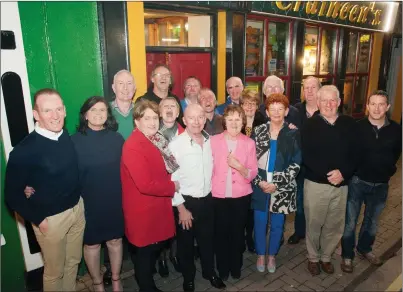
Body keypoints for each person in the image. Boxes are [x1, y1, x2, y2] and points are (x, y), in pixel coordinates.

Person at [5, 88, 85, 292]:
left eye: (59, 109)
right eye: (48, 111)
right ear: (36, 114)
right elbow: (11, 195)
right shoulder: (23, 151)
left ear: (65, 110)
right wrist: (38, 219)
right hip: (51, 221)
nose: (55, 116)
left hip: (77, 210)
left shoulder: (64, 135)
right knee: (54, 272)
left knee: (73, 262)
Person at [121, 99, 180, 291]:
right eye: (147, 118)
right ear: (137, 121)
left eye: (155, 117)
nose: (152, 122)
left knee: (150, 250)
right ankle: (146, 288)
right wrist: (173, 186)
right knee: (144, 254)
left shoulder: (156, 139)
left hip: (156, 205)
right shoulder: (133, 145)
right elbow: (145, 184)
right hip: (143, 210)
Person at [340, 90, 402, 273]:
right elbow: (348, 153)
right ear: (367, 106)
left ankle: (365, 249)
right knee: (350, 222)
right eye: (373, 104)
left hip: (381, 185)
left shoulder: (396, 130)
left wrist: (389, 170)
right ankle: (347, 255)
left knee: (372, 222)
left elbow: (396, 154)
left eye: (381, 104)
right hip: (358, 182)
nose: (376, 108)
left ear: (387, 107)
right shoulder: (357, 128)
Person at [70, 96, 125, 292]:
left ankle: (117, 279)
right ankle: (97, 283)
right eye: (93, 110)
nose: (98, 114)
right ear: (85, 115)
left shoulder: (116, 138)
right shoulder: (73, 141)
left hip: (114, 199)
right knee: (92, 244)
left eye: (102, 110)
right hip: (88, 202)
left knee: (115, 240)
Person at [169, 104, 226, 292]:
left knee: (207, 240)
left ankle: (209, 272)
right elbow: (171, 179)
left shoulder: (212, 141)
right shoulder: (174, 145)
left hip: (208, 200)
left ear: (205, 119)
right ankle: (188, 277)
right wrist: (181, 208)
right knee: (185, 245)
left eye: (200, 117)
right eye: (191, 118)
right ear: (184, 121)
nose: (196, 121)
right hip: (186, 202)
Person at [301, 85, 357, 276]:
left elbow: (356, 155)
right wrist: (329, 174)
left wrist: (344, 173)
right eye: (324, 100)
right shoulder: (309, 125)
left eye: (333, 100)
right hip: (316, 185)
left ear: (339, 102)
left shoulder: (350, 124)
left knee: (335, 225)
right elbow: (306, 156)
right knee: (314, 224)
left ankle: (326, 257)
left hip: (342, 185)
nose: (328, 104)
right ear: (318, 103)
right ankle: (313, 258)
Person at [251, 93, 301, 274]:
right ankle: (260, 255)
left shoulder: (293, 132)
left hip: (282, 188)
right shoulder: (258, 131)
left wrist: (277, 184)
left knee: (278, 224)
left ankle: (272, 255)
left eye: (281, 109)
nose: (277, 112)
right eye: (273, 109)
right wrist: (260, 182)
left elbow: (296, 163)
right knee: (260, 222)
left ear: (286, 111)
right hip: (260, 185)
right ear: (267, 111)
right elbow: (250, 160)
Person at [210, 105, 258, 280]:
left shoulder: (249, 143)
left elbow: (253, 172)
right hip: (218, 196)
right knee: (221, 234)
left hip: (241, 196)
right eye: (230, 119)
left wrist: (240, 167)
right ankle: (223, 269)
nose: (234, 122)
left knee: (238, 234)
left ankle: (236, 268)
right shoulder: (213, 141)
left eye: (238, 119)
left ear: (243, 121)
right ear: (224, 121)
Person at [288, 76, 321, 245]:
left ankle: (315, 235)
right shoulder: (295, 110)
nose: (309, 91)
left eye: (313, 87)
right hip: (300, 167)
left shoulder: (325, 111)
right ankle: (299, 232)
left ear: (319, 89)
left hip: (319, 168)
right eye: (306, 87)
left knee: (316, 206)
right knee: (300, 202)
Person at [157, 96, 184, 277]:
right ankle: (162, 259)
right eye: (165, 106)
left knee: (177, 225)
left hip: (180, 187)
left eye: (172, 106)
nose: (168, 109)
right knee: (160, 225)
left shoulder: (185, 132)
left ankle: (175, 255)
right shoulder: (151, 132)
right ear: (159, 112)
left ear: (178, 111)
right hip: (159, 187)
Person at [240, 89, 267, 252]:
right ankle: (241, 237)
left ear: (257, 106)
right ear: (241, 105)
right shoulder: (235, 121)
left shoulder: (263, 123)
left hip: (257, 172)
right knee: (242, 207)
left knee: (252, 209)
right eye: (246, 103)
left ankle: (250, 237)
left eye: (253, 103)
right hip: (239, 171)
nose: (249, 107)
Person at [110, 69, 136, 140]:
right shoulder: (105, 111)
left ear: (134, 88)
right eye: (121, 83)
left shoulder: (141, 111)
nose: (125, 88)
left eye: (129, 83)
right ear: (114, 88)